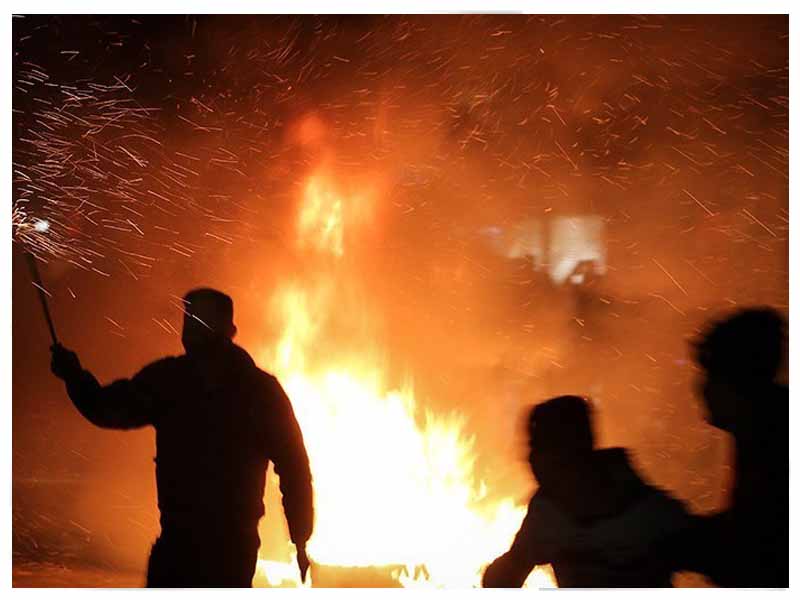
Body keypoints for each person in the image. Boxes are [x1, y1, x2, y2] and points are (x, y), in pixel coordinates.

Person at [50, 288, 314, 587]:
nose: (187, 328)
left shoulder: (170, 381)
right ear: (231, 331)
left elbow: (106, 409)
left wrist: (73, 375)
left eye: (191, 320)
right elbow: (295, 468)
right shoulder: (262, 391)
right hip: (232, 554)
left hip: (179, 550)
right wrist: (300, 538)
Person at [483, 395, 691, 588]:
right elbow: (504, 578)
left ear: (568, 453)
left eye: (539, 447)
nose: (529, 458)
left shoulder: (649, 513)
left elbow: (713, 555)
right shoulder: (547, 512)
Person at [682, 307, 789, 587]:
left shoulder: (774, 440)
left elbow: (761, 549)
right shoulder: (765, 427)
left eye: (709, 375)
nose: (700, 387)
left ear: (736, 381)